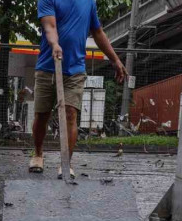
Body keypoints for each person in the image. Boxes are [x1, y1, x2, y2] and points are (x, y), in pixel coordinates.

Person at [29, 0, 127, 178]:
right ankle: (37, 154)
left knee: (70, 114)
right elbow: (49, 26)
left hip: (75, 69)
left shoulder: (89, 1)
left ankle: (66, 163)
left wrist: (115, 59)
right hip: (47, 67)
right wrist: (54, 44)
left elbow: (97, 32)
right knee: (42, 114)